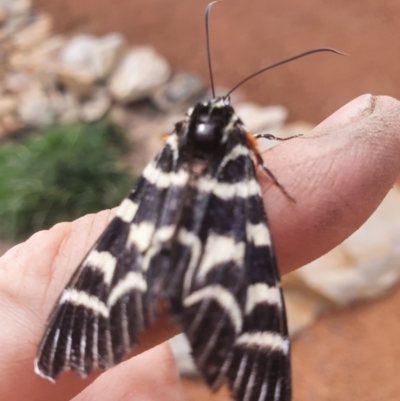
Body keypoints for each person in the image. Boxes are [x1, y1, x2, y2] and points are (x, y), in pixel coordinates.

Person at [0, 95, 399, 401]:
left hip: (156, 218)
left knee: (109, 259)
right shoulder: (240, 148)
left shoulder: (178, 145)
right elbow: (255, 154)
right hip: (224, 224)